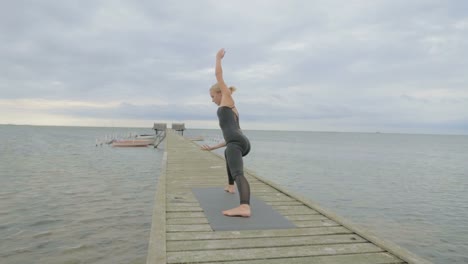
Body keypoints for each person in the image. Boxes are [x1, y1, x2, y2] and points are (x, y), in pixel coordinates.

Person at [201, 48, 251, 217]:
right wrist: (213, 147)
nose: (212, 100)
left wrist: (217, 58)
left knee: (238, 173)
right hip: (239, 141)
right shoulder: (232, 109)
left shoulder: (227, 99)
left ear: (220, 93)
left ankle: (244, 207)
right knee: (228, 152)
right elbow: (231, 136)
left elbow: (218, 75)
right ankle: (230, 186)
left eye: (212, 96)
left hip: (237, 142)